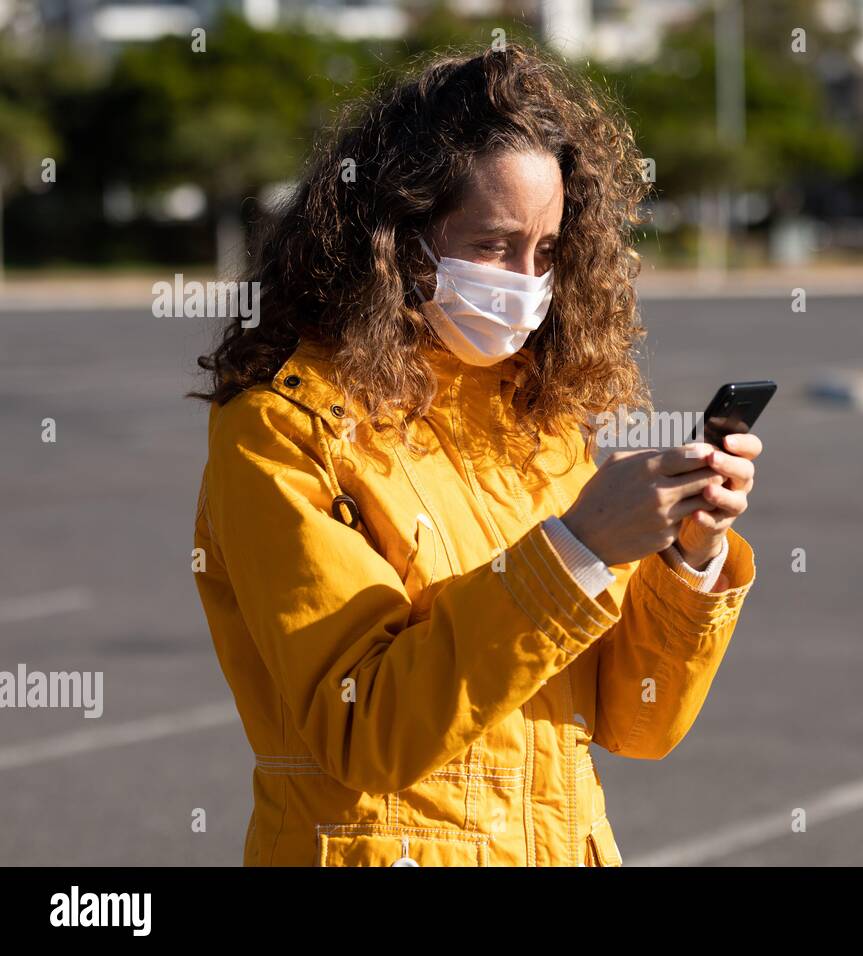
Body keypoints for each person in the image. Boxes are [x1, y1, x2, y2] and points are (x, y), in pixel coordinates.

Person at [191, 43, 762, 867]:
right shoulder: (283, 425)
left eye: (548, 251)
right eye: (493, 245)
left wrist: (690, 556)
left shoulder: (539, 415)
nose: (525, 283)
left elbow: (638, 724)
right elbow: (366, 729)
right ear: (395, 232)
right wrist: (579, 551)